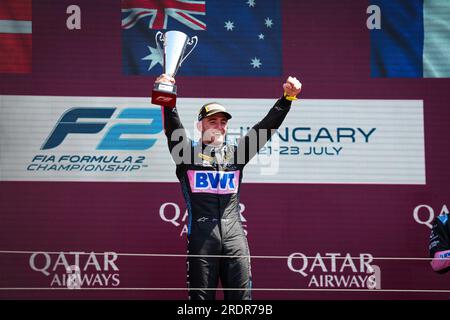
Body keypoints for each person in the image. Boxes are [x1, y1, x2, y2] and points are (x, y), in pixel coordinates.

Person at [156, 74, 302, 300]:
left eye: (223, 122)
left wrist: (287, 98)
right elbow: (171, 125)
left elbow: (264, 129)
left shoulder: (236, 153)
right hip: (202, 240)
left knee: (241, 303)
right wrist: (167, 92)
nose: (219, 126)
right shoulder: (185, 154)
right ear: (199, 125)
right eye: (212, 121)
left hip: (235, 240)